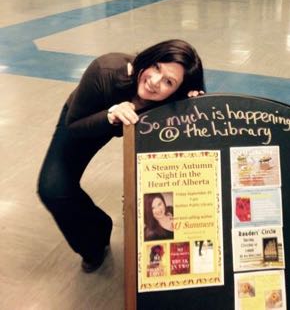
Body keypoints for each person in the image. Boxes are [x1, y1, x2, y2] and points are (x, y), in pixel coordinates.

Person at [37, 39, 205, 272]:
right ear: (148, 58)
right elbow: (74, 125)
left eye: (169, 81)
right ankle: (96, 238)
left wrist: (197, 108)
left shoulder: (177, 100)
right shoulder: (105, 70)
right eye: (156, 67)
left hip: (134, 123)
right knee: (53, 189)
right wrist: (110, 115)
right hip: (91, 116)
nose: (154, 82)